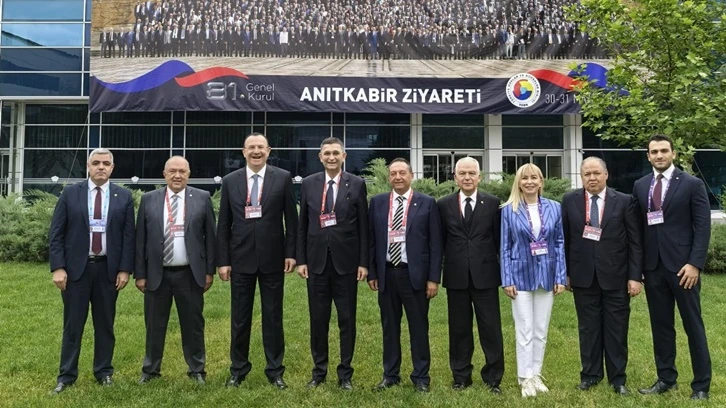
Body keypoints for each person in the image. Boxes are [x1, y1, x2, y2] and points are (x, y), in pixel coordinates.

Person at [48, 148, 134, 394]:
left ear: (112, 168)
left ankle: (103, 372)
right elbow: (56, 233)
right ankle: (66, 376)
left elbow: (129, 237)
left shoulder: (123, 196)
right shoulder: (71, 193)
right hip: (76, 270)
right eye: (96, 163)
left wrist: (125, 269)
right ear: (88, 166)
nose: (101, 167)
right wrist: (58, 267)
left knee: (105, 325)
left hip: (108, 270)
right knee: (73, 325)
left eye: (106, 163)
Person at [632, 134, 711, 400]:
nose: (659, 155)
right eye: (654, 152)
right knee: (661, 326)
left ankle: (701, 385)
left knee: (693, 326)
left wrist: (695, 263)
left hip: (683, 269)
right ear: (648, 156)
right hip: (653, 268)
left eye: (664, 151)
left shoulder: (692, 184)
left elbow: (703, 226)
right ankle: (666, 378)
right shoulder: (641, 186)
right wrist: (639, 269)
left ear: (673, 153)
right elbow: (638, 229)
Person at [216, 133, 298, 390]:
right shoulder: (230, 181)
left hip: (273, 259)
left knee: (273, 318)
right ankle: (238, 370)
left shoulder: (282, 178)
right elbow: (223, 224)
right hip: (240, 260)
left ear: (268, 150)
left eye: (260, 147)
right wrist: (223, 260)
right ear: (243, 151)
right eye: (251, 147)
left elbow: (292, 221)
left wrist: (291, 253)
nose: (256, 151)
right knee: (240, 318)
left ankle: (275, 371)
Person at [561, 157, 643, 395]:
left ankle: (618, 379)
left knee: (617, 329)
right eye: (587, 174)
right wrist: (566, 273)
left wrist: (635, 276)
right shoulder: (569, 201)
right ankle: (590, 375)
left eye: (596, 173)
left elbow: (635, 242)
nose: (592, 178)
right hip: (583, 276)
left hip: (617, 277)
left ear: (606, 175)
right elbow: (564, 240)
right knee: (588, 329)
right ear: (581, 177)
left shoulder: (625, 201)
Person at [134, 156, 216, 385]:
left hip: (190, 273)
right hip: (156, 273)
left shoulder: (202, 198)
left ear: (189, 174)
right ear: (164, 174)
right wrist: (140, 274)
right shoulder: (149, 199)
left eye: (182, 171)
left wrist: (209, 271)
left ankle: (197, 369)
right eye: (172, 171)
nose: (177, 175)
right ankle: (150, 370)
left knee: (193, 324)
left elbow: (211, 238)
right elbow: (140, 240)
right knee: (154, 324)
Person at [296, 137, 368, 390]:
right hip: (316, 263)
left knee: (347, 319)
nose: (331, 157)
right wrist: (301, 260)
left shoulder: (357, 184)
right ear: (320, 157)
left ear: (344, 156)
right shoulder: (309, 183)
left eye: (336, 153)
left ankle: (345, 374)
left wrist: (363, 263)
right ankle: (319, 371)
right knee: (318, 320)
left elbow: (363, 227)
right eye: (327, 153)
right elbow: (302, 225)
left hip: (346, 264)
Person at [368, 158, 443, 393]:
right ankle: (390, 375)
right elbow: (371, 240)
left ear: (411, 175)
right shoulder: (378, 202)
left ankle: (421, 377)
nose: (398, 177)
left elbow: (436, 243)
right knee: (389, 327)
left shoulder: (427, 203)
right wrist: (373, 272)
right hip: (387, 273)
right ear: (388, 177)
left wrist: (433, 278)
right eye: (393, 173)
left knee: (418, 327)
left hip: (415, 275)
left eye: (402, 173)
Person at [438, 157, 504, 394]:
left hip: (485, 276)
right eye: (462, 173)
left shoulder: (493, 203)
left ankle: (493, 378)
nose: (467, 177)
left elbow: (499, 241)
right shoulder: (443, 205)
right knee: (459, 329)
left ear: (479, 177)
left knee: (491, 329)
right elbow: (439, 242)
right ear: (455, 177)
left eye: (471, 173)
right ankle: (461, 376)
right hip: (456, 276)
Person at [500, 163, 566, 398]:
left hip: (546, 275)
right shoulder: (508, 210)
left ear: (541, 182)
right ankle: (525, 377)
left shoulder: (554, 207)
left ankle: (536, 373)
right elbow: (504, 247)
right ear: (518, 183)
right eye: (524, 178)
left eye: (534, 178)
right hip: (520, 276)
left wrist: (560, 276)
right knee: (525, 329)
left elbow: (559, 243)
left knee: (540, 329)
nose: (529, 182)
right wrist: (507, 279)